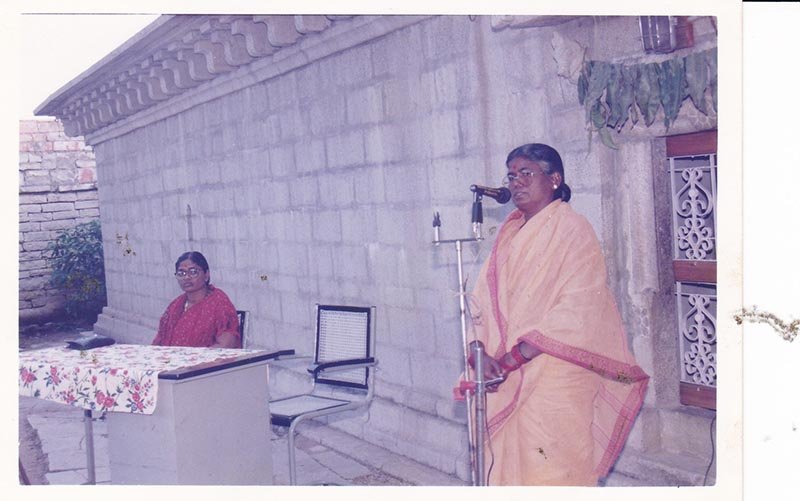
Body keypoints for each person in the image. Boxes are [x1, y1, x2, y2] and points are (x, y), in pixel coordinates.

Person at [466, 143, 649, 486]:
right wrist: (479, 351)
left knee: (553, 470)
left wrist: (514, 358)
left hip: (556, 370)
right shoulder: (509, 234)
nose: (516, 182)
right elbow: (480, 302)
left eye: (526, 173)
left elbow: (580, 307)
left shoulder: (573, 229)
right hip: (507, 369)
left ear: (554, 179)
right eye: (511, 175)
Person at [151, 251, 241, 348]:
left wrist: (194, 356)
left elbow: (226, 345)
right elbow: (159, 343)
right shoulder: (175, 306)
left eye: (193, 272)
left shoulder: (219, 303)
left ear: (206, 275)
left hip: (207, 358)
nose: (186, 277)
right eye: (181, 273)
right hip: (171, 357)